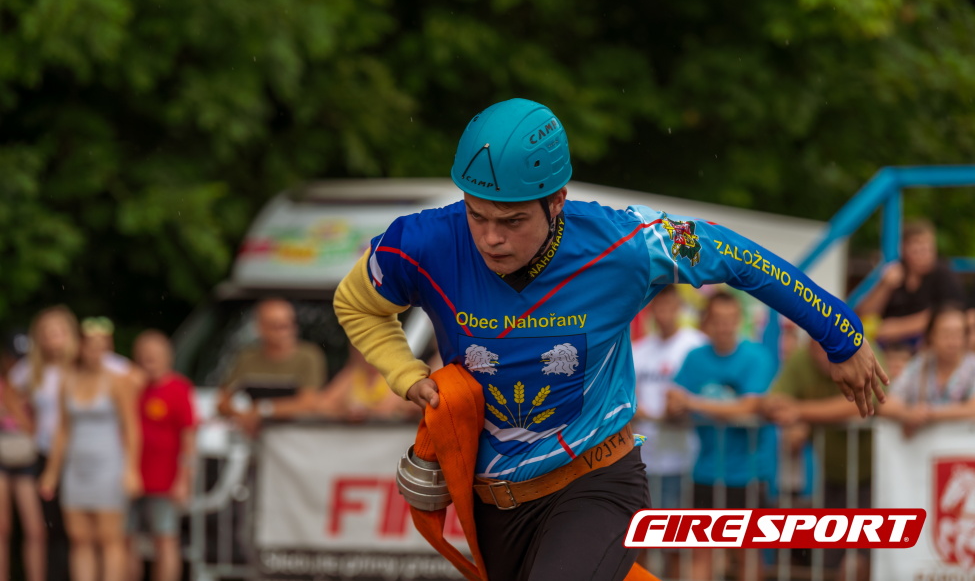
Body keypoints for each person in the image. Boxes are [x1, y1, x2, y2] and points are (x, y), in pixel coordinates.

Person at [332, 98, 886, 581]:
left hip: (596, 484)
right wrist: (405, 374)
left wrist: (840, 333)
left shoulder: (627, 244)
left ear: (557, 200)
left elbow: (736, 255)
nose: (491, 238)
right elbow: (355, 304)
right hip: (492, 505)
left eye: (513, 221)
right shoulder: (422, 242)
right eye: (477, 216)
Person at [666, 291, 776, 581]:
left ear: (739, 321)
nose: (724, 326)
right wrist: (677, 404)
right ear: (707, 322)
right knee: (700, 552)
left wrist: (693, 403)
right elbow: (673, 398)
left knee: (747, 553)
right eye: (718, 320)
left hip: (749, 472)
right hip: (706, 470)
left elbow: (748, 407)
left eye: (730, 319)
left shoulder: (756, 356)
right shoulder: (695, 357)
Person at [760, 339, 880, 581]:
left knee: (868, 558)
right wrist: (793, 421)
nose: (824, 356)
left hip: (876, 477)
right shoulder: (800, 360)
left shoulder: (862, 351)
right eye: (817, 348)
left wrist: (801, 413)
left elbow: (866, 404)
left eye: (828, 348)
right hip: (831, 476)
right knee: (828, 558)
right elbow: (772, 402)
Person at [39, 327, 141, 581]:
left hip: (108, 465)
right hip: (76, 467)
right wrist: (52, 472)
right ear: (81, 348)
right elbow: (62, 430)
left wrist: (131, 469)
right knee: (79, 538)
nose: (96, 353)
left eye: (102, 347)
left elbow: (131, 427)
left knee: (110, 538)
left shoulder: (117, 381)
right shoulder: (68, 381)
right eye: (91, 347)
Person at [630, 285, 704, 577]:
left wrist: (682, 409)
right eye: (658, 306)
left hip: (685, 458)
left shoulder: (696, 346)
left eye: (669, 306)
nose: (663, 313)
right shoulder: (638, 350)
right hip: (644, 459)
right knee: (641, 539)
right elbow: (628, 398)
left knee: (676, 542)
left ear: (678, 307)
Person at [9, 306, 80, 581]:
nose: (53, 340)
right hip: (45, 451)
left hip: (78, 454)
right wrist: (28, 426)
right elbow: (10, 392)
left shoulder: (82, 365)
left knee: (79, 525)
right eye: (47, 334)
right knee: (53, 524)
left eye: (58, 333)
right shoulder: (33, 369)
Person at [128, 330, 196, 581]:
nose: (149, 362)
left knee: (165, 539)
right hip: (131, 477)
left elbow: (189, 438)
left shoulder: (179, 388)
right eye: (144, 356)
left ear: (168, 357)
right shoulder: (132, 387)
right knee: (128, 540)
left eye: (155, 356)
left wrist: (184, 479)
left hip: (165, 480)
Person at [215, 298, 326, 434]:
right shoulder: (247, 359)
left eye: (288, 324)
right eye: (276, 326)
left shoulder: (308, 356)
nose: (284, 331)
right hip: (257, 437)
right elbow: (222, 401)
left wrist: (262, 410)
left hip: (299, 436)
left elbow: (309, 403)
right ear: (260, 328)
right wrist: (242, 417)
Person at [856, 219, 964, 347]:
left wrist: (896, 328)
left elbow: (945, 316)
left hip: (926, 344)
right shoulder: (894, 273)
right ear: (904, 249)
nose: (923, 254)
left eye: (927, 248)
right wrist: (885, 286)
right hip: (888, 345)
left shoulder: (943, 274)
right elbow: (864, 314)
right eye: (916, 249)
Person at [880, 303, 975, 435]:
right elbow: (887, 404)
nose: (952, 341)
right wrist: (907, 414)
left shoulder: (972, 366)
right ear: (932, 335)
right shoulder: (919, 365)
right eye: (946, 333)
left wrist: (929, 415)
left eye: (958, 333)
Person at [0, 332, 46, 581]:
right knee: (2, 527)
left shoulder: (38, 385)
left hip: (27, 458)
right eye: (14, 358)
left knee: (35, 529)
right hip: (2, 458)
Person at [314, 347, 420, 421]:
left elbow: (387, 411)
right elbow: (323, 404)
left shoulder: (397, 375)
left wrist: (361, 413)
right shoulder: (352, 375)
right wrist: (343, 412)